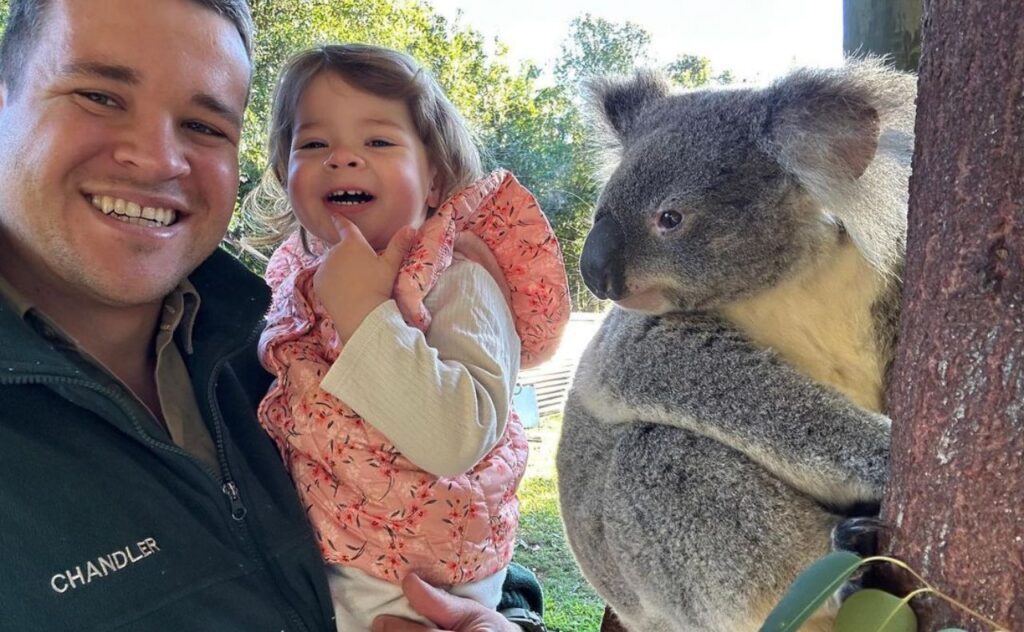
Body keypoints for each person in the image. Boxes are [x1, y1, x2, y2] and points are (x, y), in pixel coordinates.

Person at [0, 1, 547, 630]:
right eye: (99, 96)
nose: (156, 159)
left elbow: (465, 528)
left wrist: (508, 622)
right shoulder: (293, 312)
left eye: (204, 125)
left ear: (435, 178)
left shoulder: (257, 324)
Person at [246, 44, 569, 631]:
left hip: (416, 585)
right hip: (326, 551)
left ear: (434, 177)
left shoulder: (459, 279)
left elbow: (456, 438)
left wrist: (364, 313)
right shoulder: (294, 283)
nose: (343, 158)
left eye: (378, 141)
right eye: (313, 144)